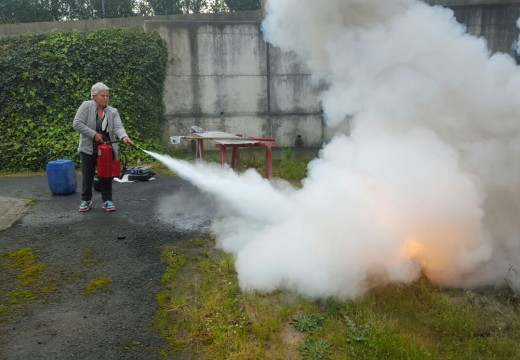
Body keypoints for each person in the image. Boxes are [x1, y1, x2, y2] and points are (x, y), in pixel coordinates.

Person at [73, 82, 132, 212]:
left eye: (107, 95)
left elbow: (118, 127)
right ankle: (86, 200)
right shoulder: (86, 106)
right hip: (88, 147)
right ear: (94, 96)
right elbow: (77, 124)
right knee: (87, 174)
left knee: (106, 175)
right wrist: (94, 135)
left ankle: (107, 200)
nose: (106, 98)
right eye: (102, 95)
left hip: (107, 148)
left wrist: (124, 137)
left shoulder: (112, 111)